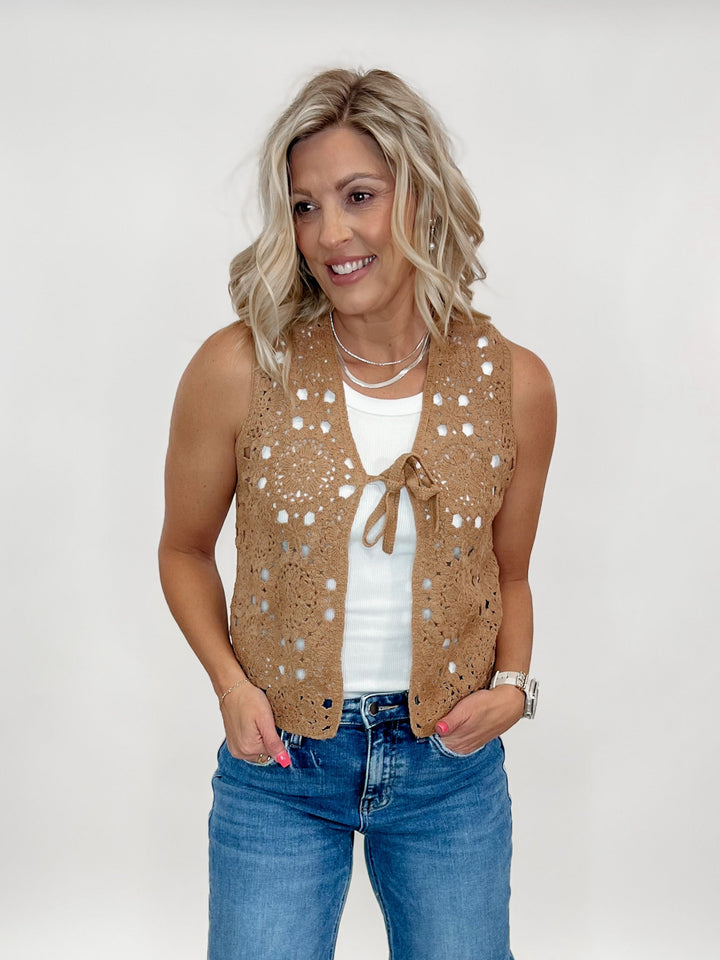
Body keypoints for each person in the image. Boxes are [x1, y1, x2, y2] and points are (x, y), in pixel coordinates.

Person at [159, 67, 556, 960]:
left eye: (359, 196)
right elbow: (183, 550)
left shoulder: (514, 385)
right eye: (305, 207)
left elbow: (511, 571)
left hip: (448, 771)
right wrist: (232, 685)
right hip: (282, 767)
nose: (330, 233)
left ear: (420, 195)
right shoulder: (240, 369)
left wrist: (513, 688)